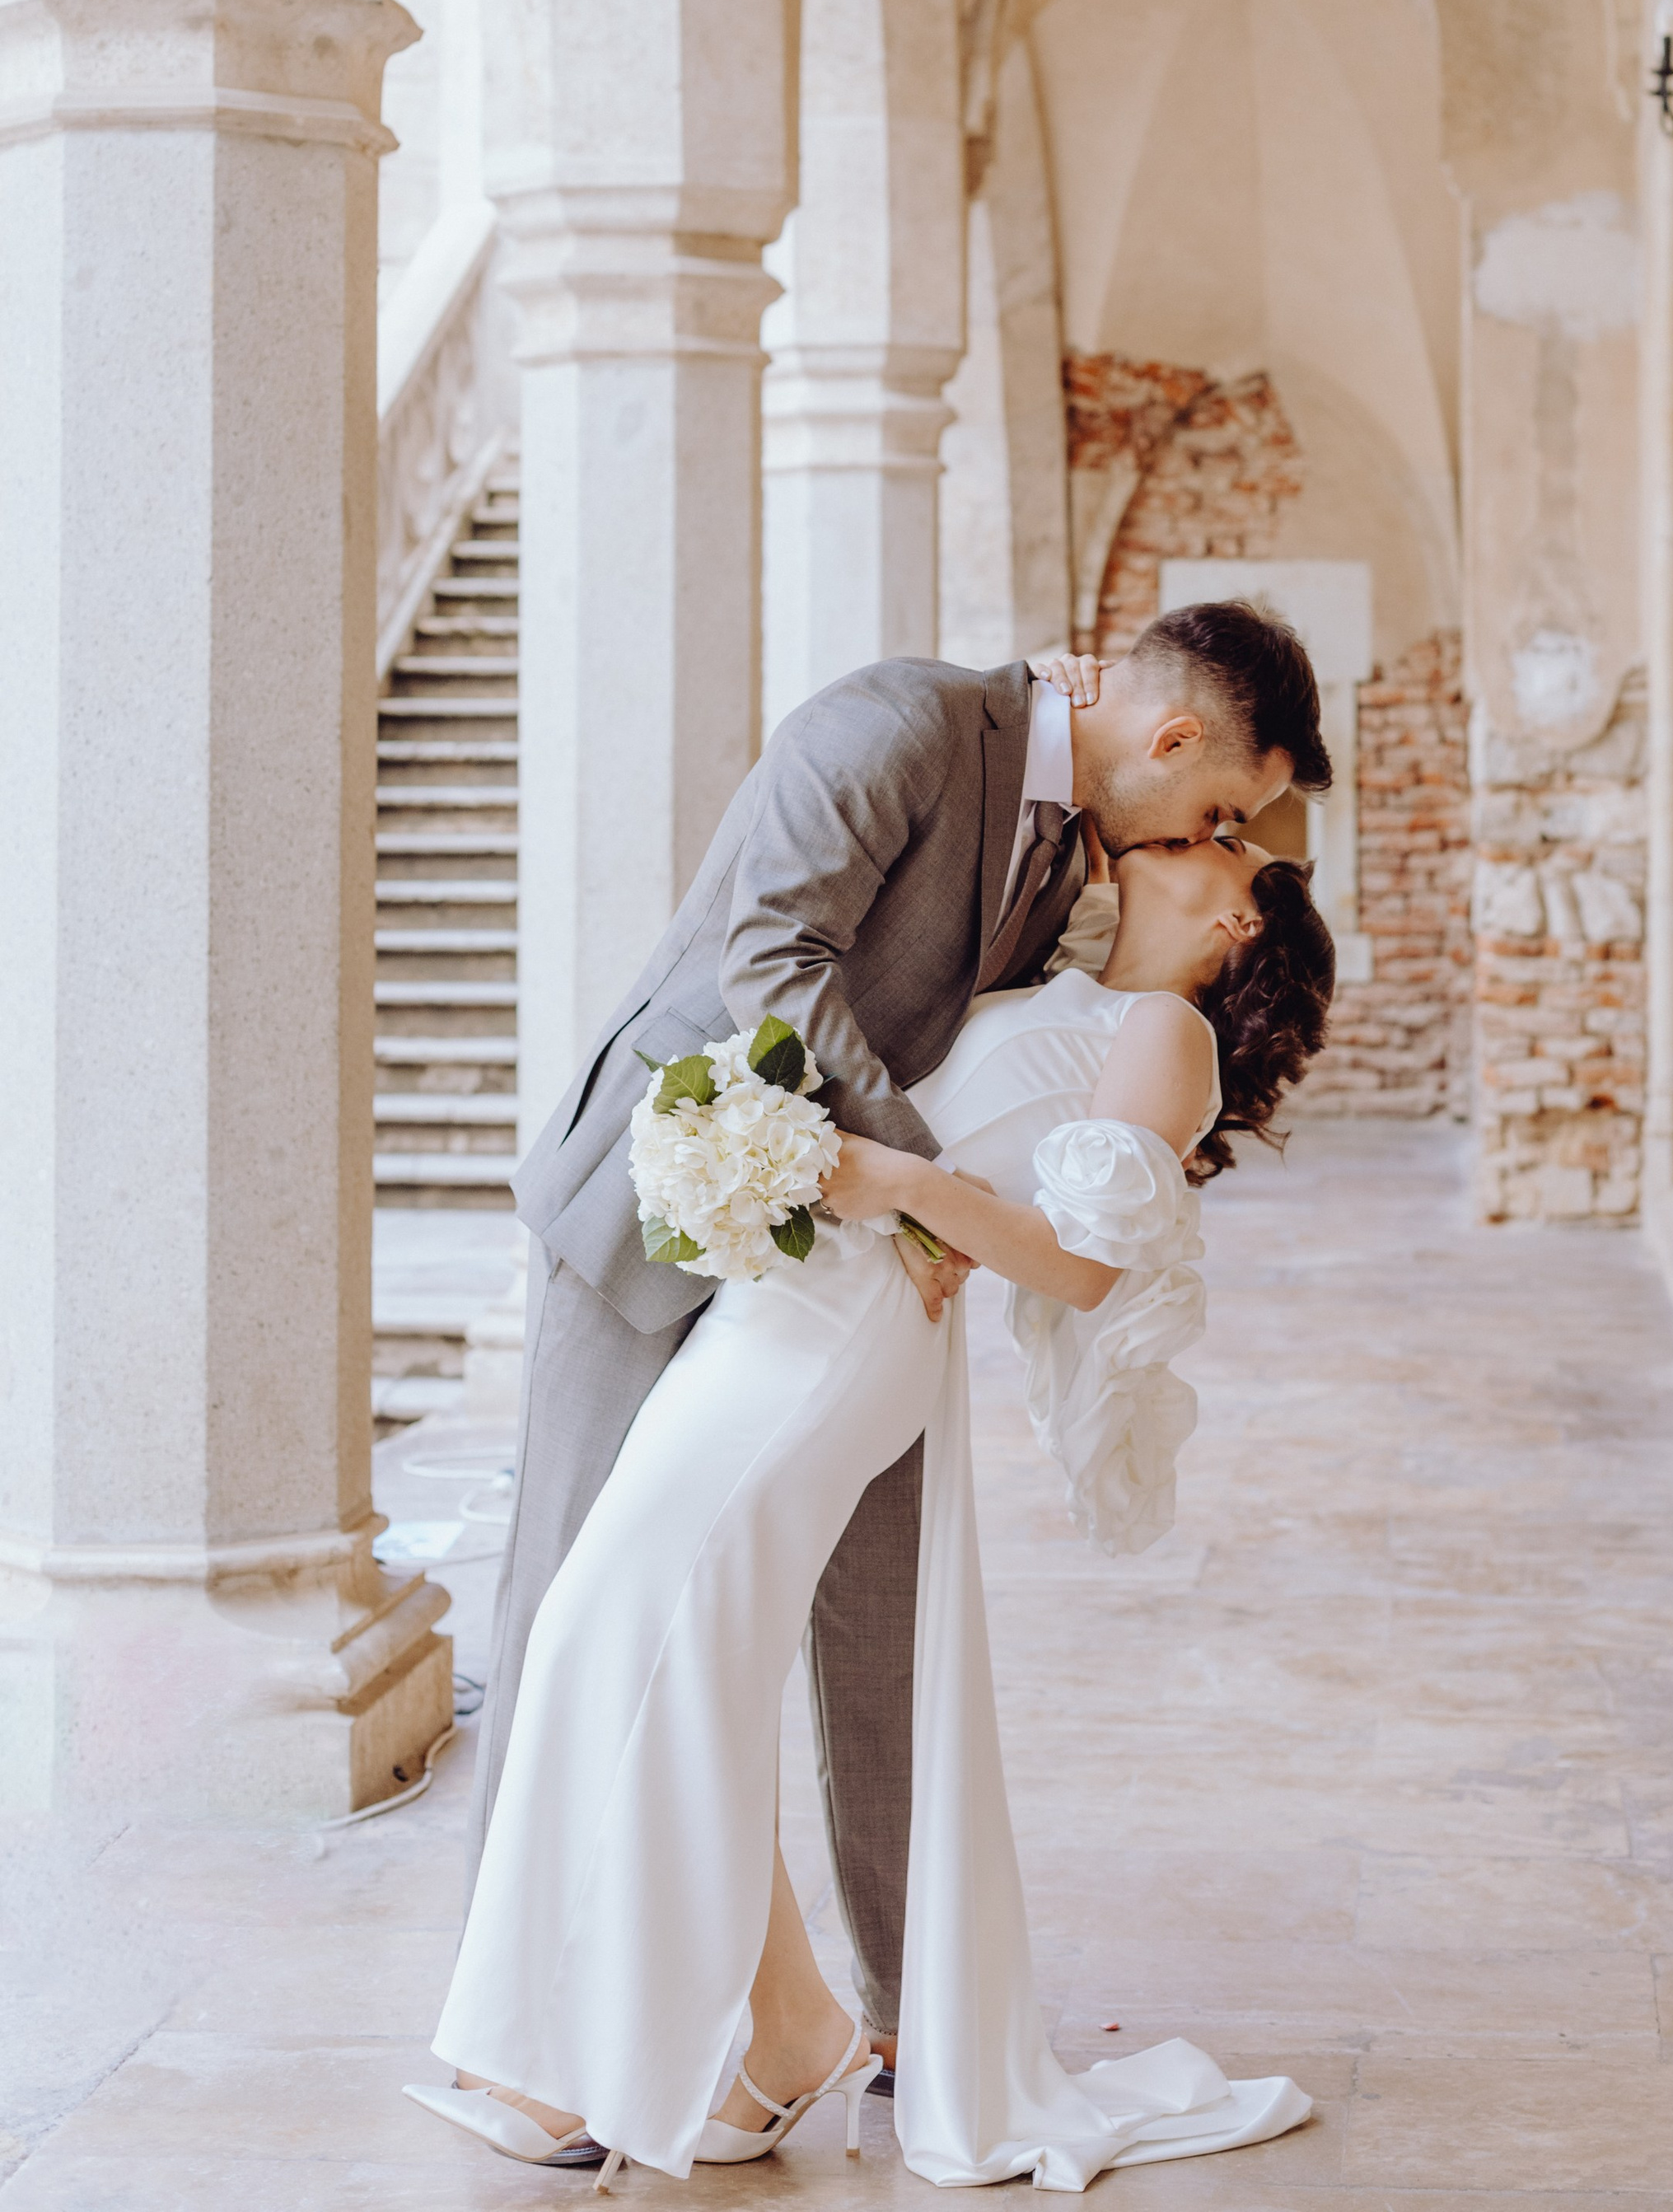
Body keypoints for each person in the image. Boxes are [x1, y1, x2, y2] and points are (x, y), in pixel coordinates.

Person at [461, 605, 1332, 2105]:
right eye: (1219, 813)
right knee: (579, 1597)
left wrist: (918, 1209)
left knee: (875, 1637)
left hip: (865, 1280)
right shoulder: (904, 728)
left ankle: (896, 2009)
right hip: (670, 1194)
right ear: (1175, 740)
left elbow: (1072, 1049)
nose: (1216, 838)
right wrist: (921, 1193)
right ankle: (543, 2016)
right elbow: (771, 951)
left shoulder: (1087, 845)